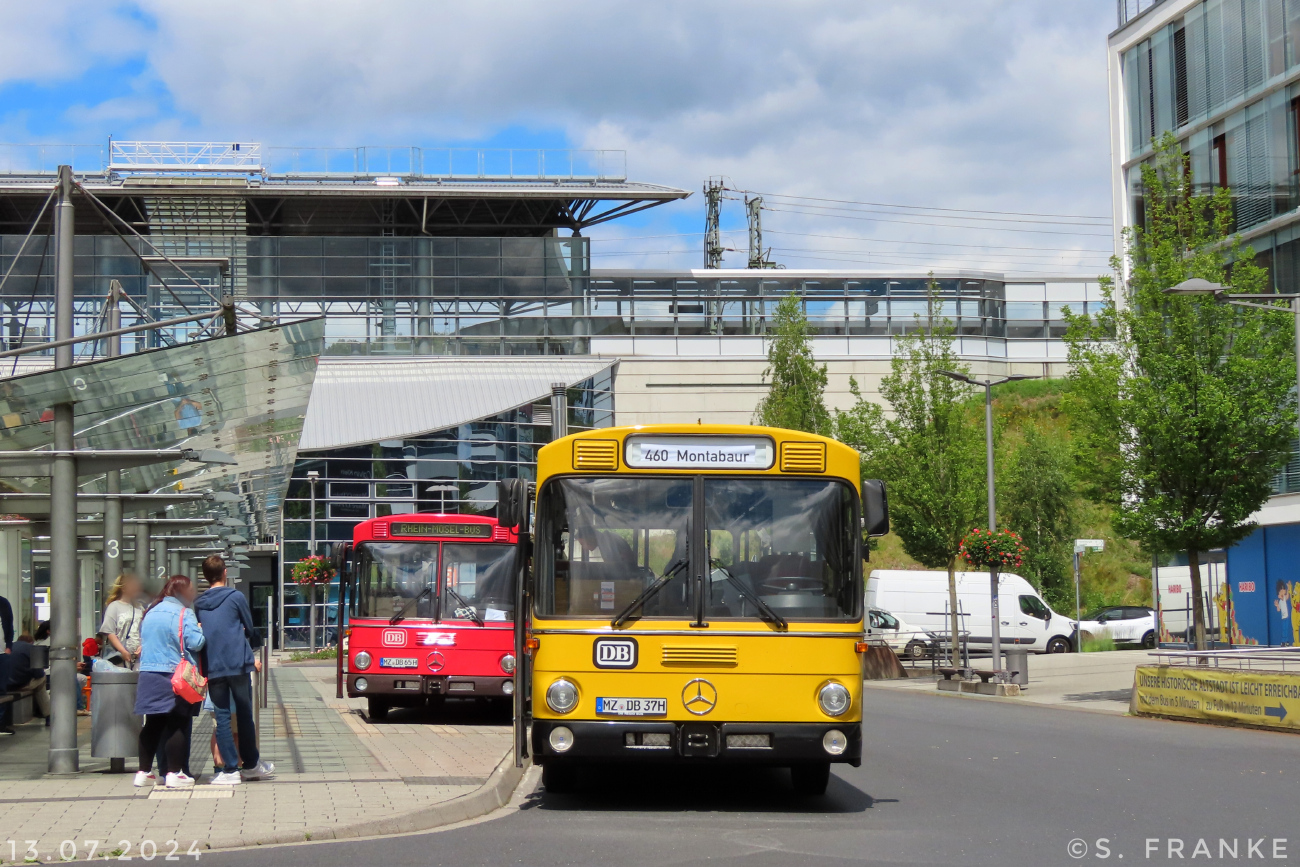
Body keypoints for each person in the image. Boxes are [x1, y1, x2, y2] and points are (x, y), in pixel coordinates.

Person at [194, 555, 273, 785]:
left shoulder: (199, 603)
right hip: (237, 663)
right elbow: (249, 627)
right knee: (245, 714)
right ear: (225, 572)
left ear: (205, 576)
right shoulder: (236, 597)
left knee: (222, 717)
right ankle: (250, 765)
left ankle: (229, 770)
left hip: (214, 665)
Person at [133, 575, 206, 789]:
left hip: (148, 673)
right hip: (174, 675)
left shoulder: (150, 612)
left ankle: (144, 772)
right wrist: (200, 629)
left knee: (153, 724)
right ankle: (174, 773)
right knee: (178, 723)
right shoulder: (184, 613)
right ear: (182, 592)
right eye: (191, 590)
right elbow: (197, 642)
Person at [99, 573, 145, 669]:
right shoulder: (114, 606)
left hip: (137, 657)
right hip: (119, 656)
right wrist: (122, 651)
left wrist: (143, 646)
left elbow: (144, 630)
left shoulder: (139, 607)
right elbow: (109, 631)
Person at [7, 632, 51, 722]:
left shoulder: (8, 647)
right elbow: (39, 674)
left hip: (5, 685)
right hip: (20, 685)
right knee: (42, 680)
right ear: (31, 642)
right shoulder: (33, 649)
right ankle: (48, 715)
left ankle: (40, 710)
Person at [0, 593, 13, 735]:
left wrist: (9, 646)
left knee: (2, 689)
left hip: (2, 653)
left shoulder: (3, 603)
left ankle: (1, 722)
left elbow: (9, 623)